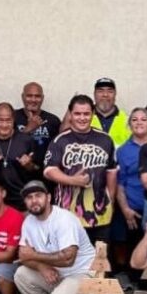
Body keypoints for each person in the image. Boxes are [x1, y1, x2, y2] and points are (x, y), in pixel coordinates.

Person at [14, 180, 96, 294]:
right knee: (21, 274)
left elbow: (68, 259)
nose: (34, 201)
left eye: (38, 195)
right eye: (29, 197)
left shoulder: (64, 219)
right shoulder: (29, 222)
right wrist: (41, 267)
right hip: (60, 274)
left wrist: (35, 255)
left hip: (84, 273)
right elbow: (24, 256)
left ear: (49, 197)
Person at [44, 94, 118, 244]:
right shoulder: (60, 140)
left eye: (86, 114)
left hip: (100, 215)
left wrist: (111, 200)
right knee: (71, 260)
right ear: (70, 114)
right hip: (68, 216)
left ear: (93, 114)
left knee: (99, 261)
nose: (82, 118)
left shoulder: (105, 139)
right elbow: (48, 171)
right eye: (77, 114)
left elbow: (111, 172)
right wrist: (72, 180)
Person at [111, 108, 147, 289]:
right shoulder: (123, 151)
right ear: (129, 125)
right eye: (134, 120)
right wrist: (126, 210)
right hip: (133, 208)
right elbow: (120, 184)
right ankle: (137, 284)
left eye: (144, 119)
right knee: (135, 246)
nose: (139, 123)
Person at [0, 102, 38, 210]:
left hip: (22, 203)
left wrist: (29, 165)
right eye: (0, 120)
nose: (4, 125)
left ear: (14, 119)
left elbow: (38, 171)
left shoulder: (26, 140)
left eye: (8, 120)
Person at [14, 82, 61, 167]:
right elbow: (8, 145)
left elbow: (59, 149)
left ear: (42, 98)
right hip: (16, 172)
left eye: (37, 96)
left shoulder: (53, 120)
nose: (33, 100)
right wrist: (28, 128)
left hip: (43, 173)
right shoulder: (13, 117)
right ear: (22, 97)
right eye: (29, 96)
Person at [91, 78, 130, 147]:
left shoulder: (127, 119)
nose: (105, 94)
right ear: (94, 94)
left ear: (115, 94)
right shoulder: (84, 118)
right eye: (100, 91)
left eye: (110, 91)